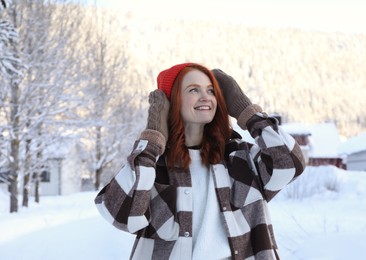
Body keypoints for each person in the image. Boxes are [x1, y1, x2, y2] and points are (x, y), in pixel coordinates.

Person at [95, 62, 305, 260]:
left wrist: (246, 111)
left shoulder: (240, 158)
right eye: (194, 90)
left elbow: (291, 164)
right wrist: (152, 138)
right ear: (172, 101)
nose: (206, 96)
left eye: (211, 90)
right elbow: (118, 213)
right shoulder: (152, 166)